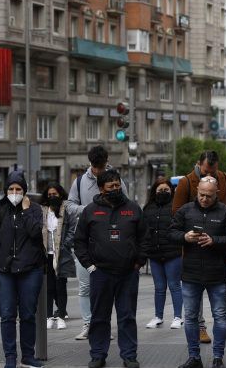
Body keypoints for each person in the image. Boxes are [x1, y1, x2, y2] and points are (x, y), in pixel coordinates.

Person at [172, 150, 226, 344]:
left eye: (214, 171)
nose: (210, 175)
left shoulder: (224, 178)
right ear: (198, 165)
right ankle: (201, 328)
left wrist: (224, 235)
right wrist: (189, 234)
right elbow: (176, 212)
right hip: (194, 248)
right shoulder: (187, 181)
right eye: (206, 171)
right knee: (195, 292)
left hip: (219, 247)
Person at [74, 169, 147, 368]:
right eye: (111, 186)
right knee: (99, 317)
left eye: (117, 185)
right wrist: (89, 266)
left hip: (128, 273)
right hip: (100, 273)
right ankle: (98, 355)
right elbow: (79, 241)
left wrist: (139, 262)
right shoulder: (90, 210)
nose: (115, 189)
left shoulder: (133, 209)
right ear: (101, 189)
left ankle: (129, 356)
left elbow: (144, 238)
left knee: (127, 316)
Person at [170, 176, 226, 368]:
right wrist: (185, 236)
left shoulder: (225, 212)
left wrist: (214, 241)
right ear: (196, 191)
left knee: (219, 316)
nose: (204, 199)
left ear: (216, 193)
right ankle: (194, 357)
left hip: (216, 274)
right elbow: (171, 233)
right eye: (201, 195)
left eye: (209, 196)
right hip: (191, 273)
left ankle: (218, 357)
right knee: (191, 317)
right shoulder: (186, 210)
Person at [0, 171, 45, 368]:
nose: (15, 192)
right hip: (4, 271)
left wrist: (25, 211)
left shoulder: (34, 209)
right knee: (7, 314)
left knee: (27, 314)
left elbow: (36, 234)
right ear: (6, 190)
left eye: (18, 189)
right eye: (11, 189)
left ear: (24, 190)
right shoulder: (1, 210)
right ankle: (10, 357)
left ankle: (28, 355)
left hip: (30, 269)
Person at [67, 145, 127, 340]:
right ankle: (88, 323)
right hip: (86, 242)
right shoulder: (79, 182)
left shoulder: (116, 181)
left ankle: (104, 325)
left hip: (110, 242)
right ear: (91, 164)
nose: (100, 171)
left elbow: (126, 204)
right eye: (97, 167)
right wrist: (88, 210)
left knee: (106, 287)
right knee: (85, 286)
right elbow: (68, 205)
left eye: (102, 166)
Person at [143, 177, 183, 329]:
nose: (163, 192)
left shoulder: (176, 207)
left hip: (173, 253)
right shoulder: (148, 208)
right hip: (154, 254)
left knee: (174, 285)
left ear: (171, 191)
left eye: (166, 190)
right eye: (160, 190)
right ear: (154, 191)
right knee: (159, 287)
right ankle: (158, 316)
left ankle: (178, 316)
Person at [40, 183, 77, 331]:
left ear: (60, 194)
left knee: (61, 287)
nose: (52, 197)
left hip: (61, 254)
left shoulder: (66, 209)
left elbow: (73, 229)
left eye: (54, 194)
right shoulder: (42, 210)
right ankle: (49, 316)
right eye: (49, 195)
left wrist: (65, 245)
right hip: (45, 255)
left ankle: (61, 316)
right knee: (48, 288)